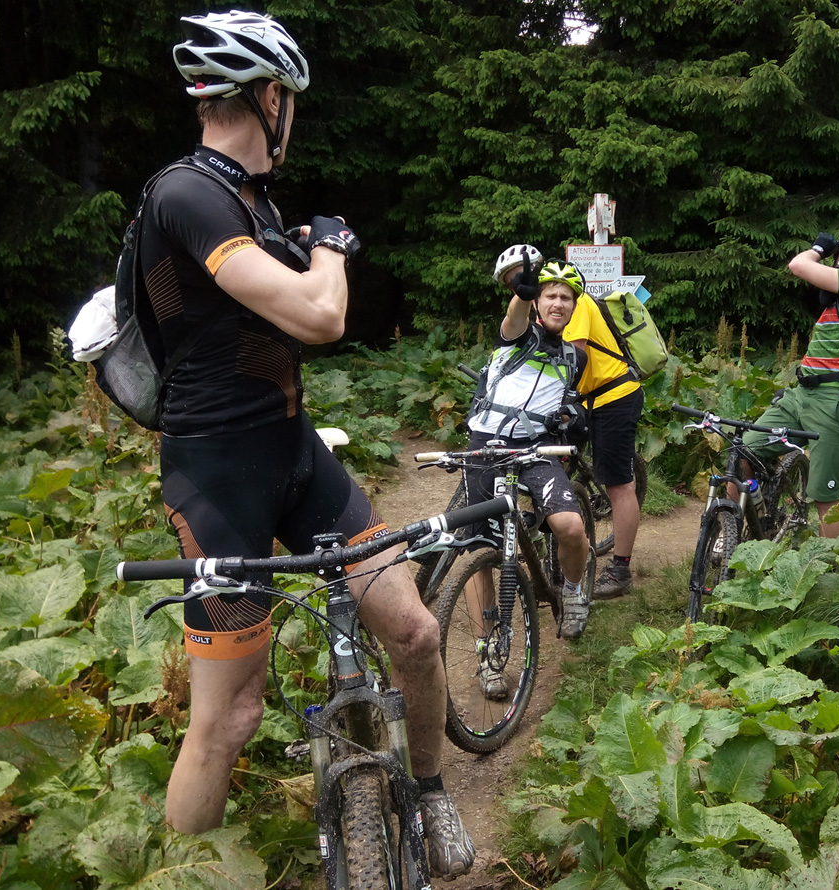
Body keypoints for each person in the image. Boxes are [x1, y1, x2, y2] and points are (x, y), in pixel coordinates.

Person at [148, 11, 474, 878]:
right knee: (227, 719)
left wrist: (297, 243)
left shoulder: (248, 199)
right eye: (288, 99)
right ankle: (181, 872)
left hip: (293, 455)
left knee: (414, 632)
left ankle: (431, 792)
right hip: (215, 476)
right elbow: (322, 315)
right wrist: (330, 247)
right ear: (269, 98)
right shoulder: (186, 194)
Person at [491, 246, 642, 599]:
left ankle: (620, 568)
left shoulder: (573, 300)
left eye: (519, 277)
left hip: (613, 393)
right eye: (511, 283)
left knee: (617, 483)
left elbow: (573, 356)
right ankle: (549, 545)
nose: (516, 285)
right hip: (584, 396)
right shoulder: (537, 303)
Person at [466, 253, 593, 655]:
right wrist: (521, 296)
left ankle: (572, 590)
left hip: (537, 447)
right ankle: (487, 648)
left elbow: (565, 397)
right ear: (538, 302)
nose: (558, 303)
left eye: (566, 297)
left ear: (574, 306)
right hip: (487, 444)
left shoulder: (575, 356)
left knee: (571, 528)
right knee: (481, 547)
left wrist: (571, 414)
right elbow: (512, 321)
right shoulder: (519, 335)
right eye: (550, 295)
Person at [741, 215, 839, 538]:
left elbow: (798, 265)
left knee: (826, 498)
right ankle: (735, 528)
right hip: (803, 393)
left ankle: (834, 566)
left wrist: (818, 248)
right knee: (742, 452)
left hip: (837, 401)